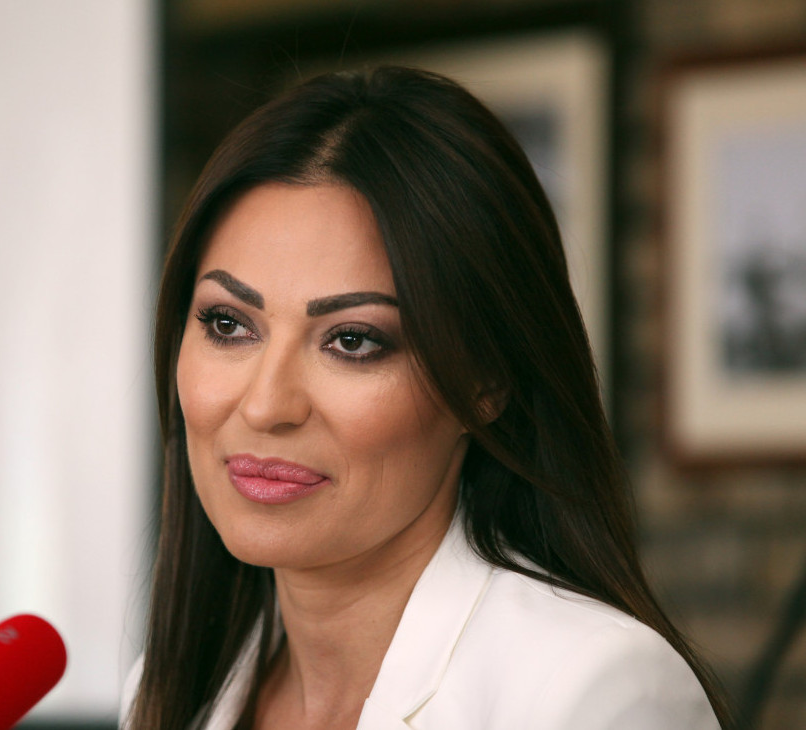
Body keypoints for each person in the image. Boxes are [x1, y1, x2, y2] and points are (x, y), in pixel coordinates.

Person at [121, 66, 730, 729]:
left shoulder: (589, 689)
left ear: (484, 382)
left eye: (352, 340)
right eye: (228, 324)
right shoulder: (165, 694)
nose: (266, 406)